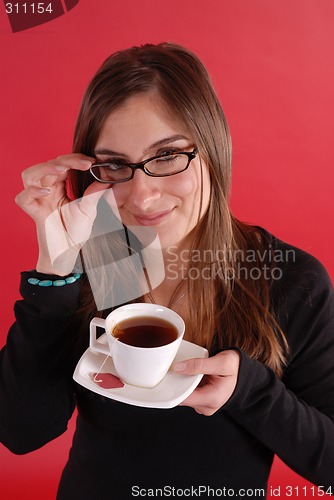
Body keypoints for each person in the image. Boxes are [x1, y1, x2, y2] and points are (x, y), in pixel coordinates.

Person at [1, 42, 333, 499]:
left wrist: (249, 392)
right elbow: (21, 433)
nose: (142, 197)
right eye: (116, 165)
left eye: (167, 156)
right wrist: (55, 273)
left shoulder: (288, 279)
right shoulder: (103, 260)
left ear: (212, 148)